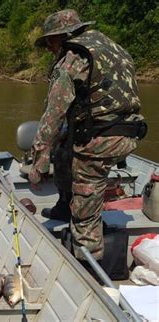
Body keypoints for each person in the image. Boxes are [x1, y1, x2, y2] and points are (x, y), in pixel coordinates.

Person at [28, 9, 147, 263]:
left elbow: (54, 112)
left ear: (63, 36)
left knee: (85, 210)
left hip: (100, 142)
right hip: (129, 135)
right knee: (63, 149)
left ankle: (89, 264)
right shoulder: (113, 48)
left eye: (50, 41)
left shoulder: (73, 56)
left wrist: (39, 160)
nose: (50, 48)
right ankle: (63, 204)